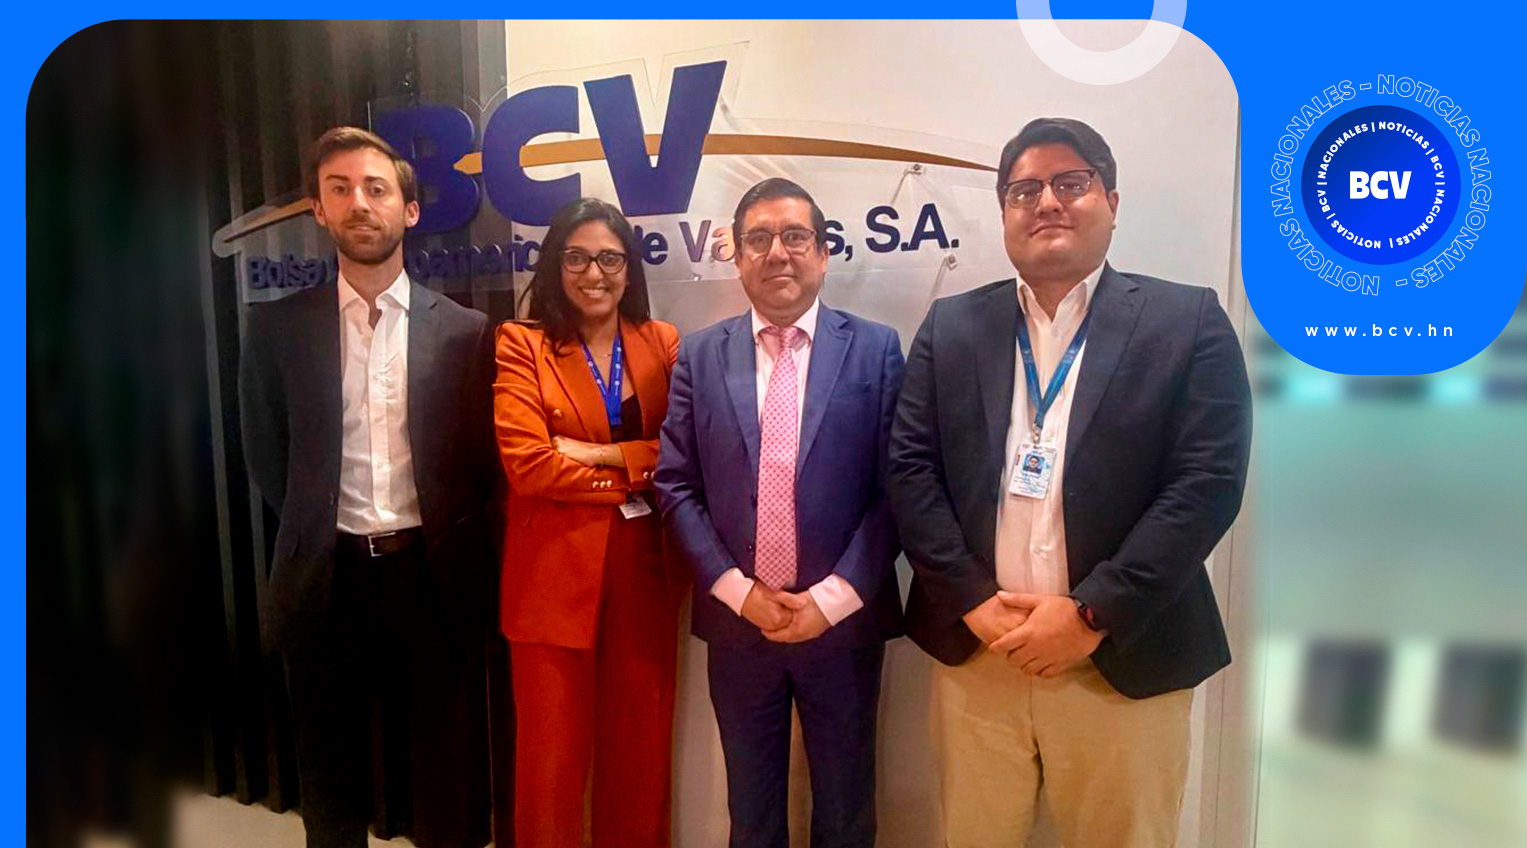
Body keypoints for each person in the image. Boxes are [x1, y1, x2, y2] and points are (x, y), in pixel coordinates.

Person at [888, 117, 1253, 848]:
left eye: (1070, 183)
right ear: (1003, 214)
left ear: (1111, 202)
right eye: (1024, 190)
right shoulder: (951, 326)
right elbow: (909, 469)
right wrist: (972, 601)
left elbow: (1206, 482)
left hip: (1121, 658)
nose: (1047, 202)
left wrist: (1090, 615)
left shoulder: (1186, 321)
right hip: (978, 660)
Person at [239, 127, 494, 848]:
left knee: (446, 777)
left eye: (376, 189)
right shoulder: (278, 329)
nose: (359, 203)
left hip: (432, 579)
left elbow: (481, 462)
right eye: (340, 188)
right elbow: (266, 452)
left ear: (409, 210)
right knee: (331, 784)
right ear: (319, 210)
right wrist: (313, 524)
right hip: (326, 581)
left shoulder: (467, 332)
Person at [656, 178, 905, 848]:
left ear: (823, 253)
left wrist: (830, 599)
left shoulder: (876, 349)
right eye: (758, 239)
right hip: (739, 627)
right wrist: (739, 593)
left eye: (794, 236)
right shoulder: (699, 354)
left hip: (842, 626)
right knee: (751, 812)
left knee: (846, 812)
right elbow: (675, 483)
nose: (777, 253)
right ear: (737, 257)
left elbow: (898, 488)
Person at [493, 197, 683, 848]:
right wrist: (635, 472)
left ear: (629, 267)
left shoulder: (662, 343)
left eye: (608, 258)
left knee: (640, 751)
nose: (593, 273)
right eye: (576, 258)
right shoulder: (522, 344)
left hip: (644, 571)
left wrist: (601, 456)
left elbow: (682, 454)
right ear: (554, 264)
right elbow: (528, 466)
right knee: (550, 760)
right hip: (550, 576)